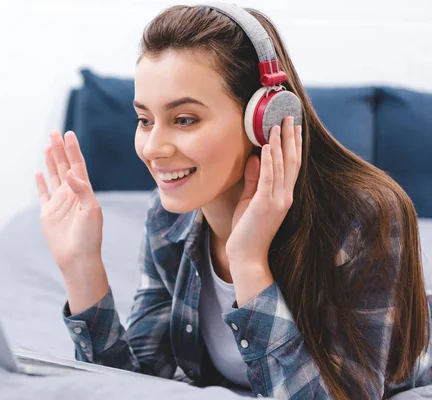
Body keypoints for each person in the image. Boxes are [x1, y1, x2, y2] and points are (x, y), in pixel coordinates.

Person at [34, 4, 432, 399]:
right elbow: (138, 381)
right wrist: (82, 268)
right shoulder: (167, 218)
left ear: (267, 120)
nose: (152, 148)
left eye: (185, 119)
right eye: (144, 120)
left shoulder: (365, 216)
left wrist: (249, 262)